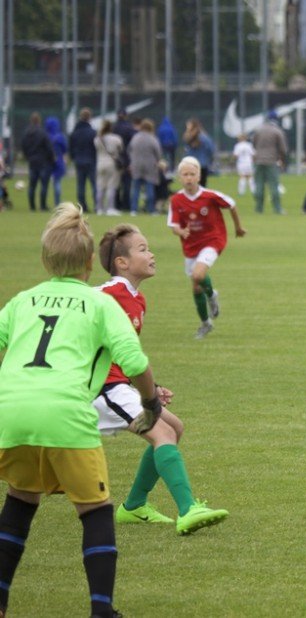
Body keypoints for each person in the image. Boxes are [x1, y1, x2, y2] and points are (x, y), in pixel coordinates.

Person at [0, 203, 162, 617]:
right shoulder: (101, 304)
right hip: (66, 415)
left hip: (12, 415)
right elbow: (134, 361)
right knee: (95, 510)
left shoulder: (22, 301)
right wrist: (150, 403)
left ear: (45, 260)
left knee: (20, 500)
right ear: (91, 262)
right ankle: (101, 610)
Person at [93, 223, 229, 535]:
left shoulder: (136, 299)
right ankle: (188, 509)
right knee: (163, 433)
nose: (152, 254)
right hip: (100, 389)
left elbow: (121, 354)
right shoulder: (105, 294)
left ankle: (134, 505)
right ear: (121, 262)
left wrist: (150, 389)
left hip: (116, 383)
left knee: (175, 428)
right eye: (143, 249)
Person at [168, 157, 246, 339]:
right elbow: (173, 225)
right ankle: (205, 323)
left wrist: (238, 227)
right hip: (191, 246)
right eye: (185, 174)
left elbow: (231, 205)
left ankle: (211, 296)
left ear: (199, 176)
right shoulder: (176, 200)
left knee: (198, 275)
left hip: (213, 240)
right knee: (196, 287)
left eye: (192, 174)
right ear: (180, 177)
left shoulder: (210, 196)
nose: (189, 178)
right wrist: (181, 231)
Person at [252, 110, 288, 215]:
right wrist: (282, 160)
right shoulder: (277, 131)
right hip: (271, 161)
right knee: (274, 185)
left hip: (258, 160)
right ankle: (277, 209)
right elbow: (283, 149)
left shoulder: (258, 130)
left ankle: (258, 208)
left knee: (259, 185)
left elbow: (254, 144)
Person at [20, 112, 55, 212]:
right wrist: (52, 159)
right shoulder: (43, 133)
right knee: (44, 185)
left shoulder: (26, 133)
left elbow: (23, 146)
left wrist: (28, 156)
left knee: (32, 185)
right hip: (43, 162)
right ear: (39, 121)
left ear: (31, 121)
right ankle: (43, 206)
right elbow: (49, 148)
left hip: (32, 161)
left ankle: (32, 206)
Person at [127, 119, 162, 216]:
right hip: (150, 166)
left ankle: (134, 209)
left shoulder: (135, 137)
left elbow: (129, 150)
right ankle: (151, 209)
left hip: (136, 165)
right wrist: (157, 161)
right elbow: (158, 153)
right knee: (149, 188)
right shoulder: (153, 138)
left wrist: (132, 160)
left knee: (136, 189)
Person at [68, 108, 98, 214]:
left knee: (81, 185)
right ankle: (97, 205)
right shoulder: (93, 132)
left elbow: (71, 148)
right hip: (91, 160)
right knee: (94, 185)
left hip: (79, 160)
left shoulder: (74, 133)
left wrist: (73, 157)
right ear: (89, 118)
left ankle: (82, 206)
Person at [95, 121, 124, 216]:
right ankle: (110, 208)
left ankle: (99, 208)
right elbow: (120, 149)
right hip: (112, 163)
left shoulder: (97, 139)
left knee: (100, 186)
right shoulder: (116, 138)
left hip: (100, 163)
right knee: (111, 186)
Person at [112, 110, 137, 213]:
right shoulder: (130, 128)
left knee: (116, 184)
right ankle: (126, 205)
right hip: (127, 159)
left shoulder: (113, 128)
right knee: (127, 184)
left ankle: (116, 204)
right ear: (126, 116)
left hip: (115, 159)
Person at [182, 118, 215, 188]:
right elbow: (211, 149)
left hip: (190, 164)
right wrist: (210, 160)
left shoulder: (188, 138)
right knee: (201, 187)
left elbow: (186, 152)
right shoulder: (204, 137)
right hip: (202, 164)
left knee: (191, 187)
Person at [45, 116, 68, 206]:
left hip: (47, 161)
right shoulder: (60, 137)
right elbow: (65, 149)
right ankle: (57, 202)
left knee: (44, 183)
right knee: (57, 182)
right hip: (58, 161)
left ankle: (43, 203)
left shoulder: (45, 136)